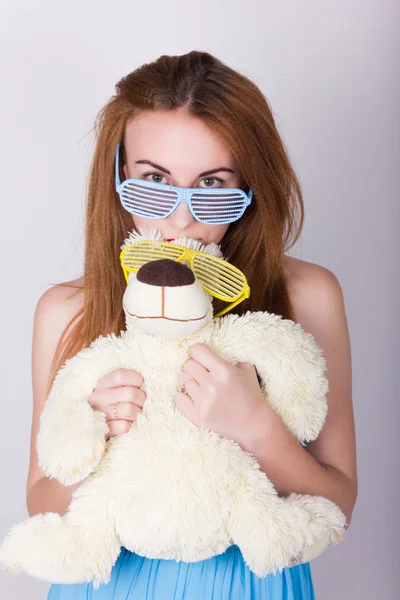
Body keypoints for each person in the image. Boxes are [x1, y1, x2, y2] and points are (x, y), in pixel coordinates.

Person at [26, 50, 358, 599]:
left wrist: (255, 428)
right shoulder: (67, 310)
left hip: (251, 584)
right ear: (117, 177)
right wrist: (95, 435)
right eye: (153, 181)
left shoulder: (308, 295)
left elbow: (339, 502)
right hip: (107, 585)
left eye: (211, 185)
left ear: (252, 189)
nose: (180, 221)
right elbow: (39, 500)